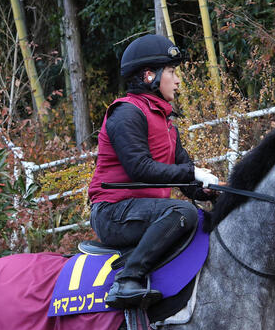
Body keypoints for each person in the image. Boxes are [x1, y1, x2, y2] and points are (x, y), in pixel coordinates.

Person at [88, 34, 220, 309]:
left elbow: (184, 177)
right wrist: (191, 173)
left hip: (146, 212)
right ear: (150, 76)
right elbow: (140, 168)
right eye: (171, 72)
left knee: (198, 215)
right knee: (182, 213)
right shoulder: (126, 113)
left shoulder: (167, 122)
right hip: (113, 213)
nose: (177, 79)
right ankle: (127, 279)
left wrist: (207, 189)